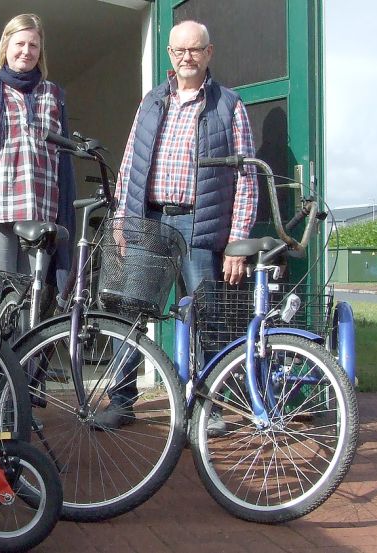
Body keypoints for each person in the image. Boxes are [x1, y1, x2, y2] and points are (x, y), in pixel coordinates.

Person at [94, 20, 258, 430]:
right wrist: (121, 218)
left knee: (207, 316)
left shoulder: (228, 105)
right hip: (150, 220)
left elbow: (246, 176)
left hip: (198, 227)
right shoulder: (151, 102)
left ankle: (210, 407)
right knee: (129, 312)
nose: (187, 57)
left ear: (209, 53)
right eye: (179, 50)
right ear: (169, 54)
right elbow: (131, 160)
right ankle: (122, 401)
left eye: (195, 50)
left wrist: (238, 239)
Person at [0, 13, 75, 301]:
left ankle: (30, 348)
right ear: (6, 45)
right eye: (20, 43)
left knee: (34, 302)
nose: (26, 51)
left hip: (41, 216)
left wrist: (64, 217)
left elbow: (64, 164)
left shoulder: (54, 96)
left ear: (40, 52)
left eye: (33, 46)